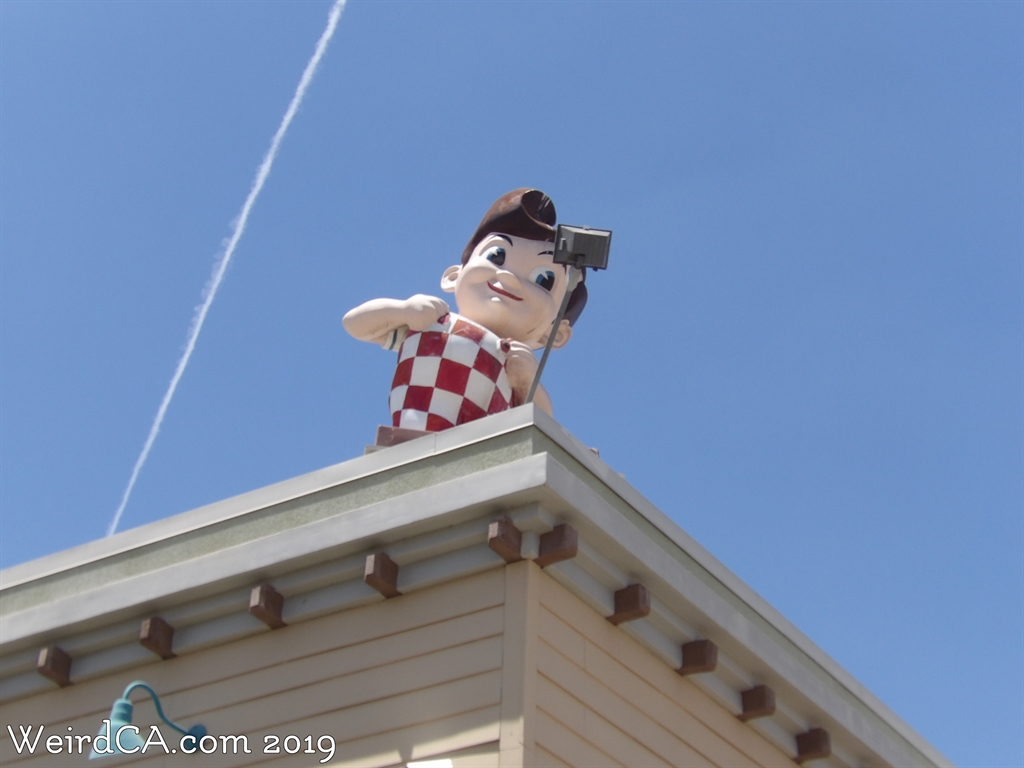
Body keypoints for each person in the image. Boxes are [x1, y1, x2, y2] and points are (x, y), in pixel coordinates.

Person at [343, 188, 587, 432]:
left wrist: (527, 382)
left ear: (555, 334)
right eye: (497, 255)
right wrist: (403, 310)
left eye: (544, 279)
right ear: (453, 276)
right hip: (414, 434)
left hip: (481, 447)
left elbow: (542, 427)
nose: (509, 277)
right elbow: (354, 323)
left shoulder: (514, 360)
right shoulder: (435, 323)